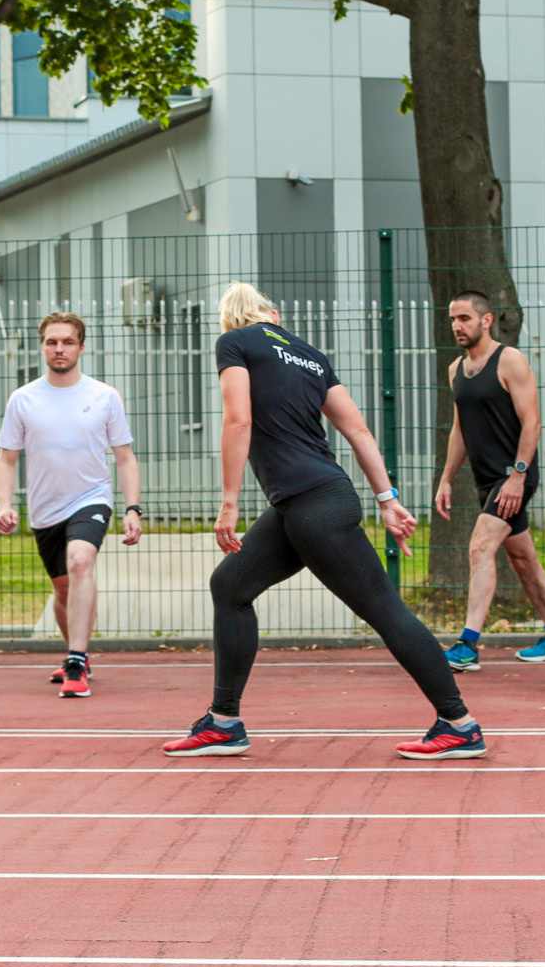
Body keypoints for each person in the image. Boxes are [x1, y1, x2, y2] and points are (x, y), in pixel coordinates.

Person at [162, 283, 487, 760]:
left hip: (315, 507)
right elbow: (356, 428)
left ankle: (459, 723)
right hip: (306, 503)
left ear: (231, 319)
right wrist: (387, 498)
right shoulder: (310, 355)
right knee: (230, 585)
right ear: (273, 314)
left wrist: (229, 501)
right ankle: (224, 721)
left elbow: (237, 421)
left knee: (384, 610)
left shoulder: (235, 341)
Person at [0, 312, 143, 698]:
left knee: (80, 561)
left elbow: (125, 457)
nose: (59, 349)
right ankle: (76, 653)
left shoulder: (104, 397)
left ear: (81, 346)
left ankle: (76, 660)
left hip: (90, 498)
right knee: (62, 589)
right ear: (42, 346)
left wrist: (132, 508)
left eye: (67, 342)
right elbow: (7, 459)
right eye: (52, 342)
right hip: (45, 510)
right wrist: (4, 504)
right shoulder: (22, 399)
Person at [432, 291, 545, 670]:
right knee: (523, 558)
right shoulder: (456, 370)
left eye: (464, 318)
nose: (457, 326)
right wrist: (446, 479)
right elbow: (460, 429)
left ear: (486, 320)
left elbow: (532, 422)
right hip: (485, 480)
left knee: (480, 547)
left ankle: (467, 645)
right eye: (452, 319)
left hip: (515, 477)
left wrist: (517, 476)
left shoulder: (510, 361)